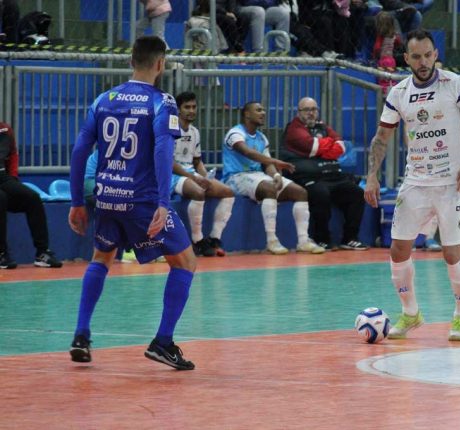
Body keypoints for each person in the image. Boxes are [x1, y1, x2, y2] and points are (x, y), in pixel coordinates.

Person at [68, 36, 196, 370]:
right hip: (141, 199)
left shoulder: (103, 100)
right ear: (160, 64)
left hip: (107, 195)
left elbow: (80, 151)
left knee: (102, 257)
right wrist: (164, 202)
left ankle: (81, 334)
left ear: (130, 62)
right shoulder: (161, 102)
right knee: (185, 262)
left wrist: (76, 201)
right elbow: (162, 151)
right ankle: (163, 342)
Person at [364, 29, 460, 341]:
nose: (423, 62)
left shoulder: (455, 84)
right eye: (416, 57)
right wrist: (371, 175)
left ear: (436, 54)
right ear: (405, 58)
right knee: (398, 250)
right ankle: (411, 314)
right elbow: (382, 138)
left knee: (451, 253)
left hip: (452, 183)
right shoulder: (399, 93)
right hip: (416, 181)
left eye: (428, 55)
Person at [222, 102, 325, 255]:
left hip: (258, 176)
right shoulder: (235, 133)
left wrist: (276, 175)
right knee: (269, 189)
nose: (263, 113)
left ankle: (303, 241)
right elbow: (248, 153)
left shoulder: (262, 137)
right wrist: (275, 162)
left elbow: (266, 162)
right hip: (236, 177)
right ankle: (272, 240)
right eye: (258, 110)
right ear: (247, 114)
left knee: (300, 192)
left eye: (264, 109)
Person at [281, 97, 368, 251]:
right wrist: (324, 147)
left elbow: (340, 147)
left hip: (331, 176)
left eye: (314, 109)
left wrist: (321, 148)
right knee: (320, 193)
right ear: (298, 112)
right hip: (307, 178)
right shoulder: (293, 129)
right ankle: (321, 239)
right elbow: (312, 146)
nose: (311, 113)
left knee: (357, 193)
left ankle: (350, 238)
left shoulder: (323, 126)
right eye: (306, 110)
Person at [172, 91, 236, 257]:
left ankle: (215, 238)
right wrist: (194, 178)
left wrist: (206, 177)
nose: (191, 110)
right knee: (198, 192)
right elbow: (168, 163)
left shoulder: (194, 132)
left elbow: (197, 161)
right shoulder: (170, 130)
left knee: (228, 192)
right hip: (172, 175)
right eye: (187, 107)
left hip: (190, 173)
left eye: (194, 107)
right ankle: (197, 240)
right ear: (178, 110)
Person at [0, 121, 63, 269]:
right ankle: (1, 253)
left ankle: (42, 253)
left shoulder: (4, 129)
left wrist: (14, 180)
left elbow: (13, 154)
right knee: (0, 198)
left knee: (32, 198)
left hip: (3, 177)